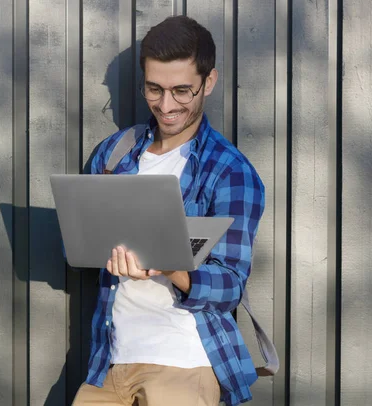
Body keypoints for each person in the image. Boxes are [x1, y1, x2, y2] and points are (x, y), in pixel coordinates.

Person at [72, 15, 265, 406]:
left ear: (208, 82)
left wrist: (169, 264)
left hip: (185, 364)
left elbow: (230, 285)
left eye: (182, 90)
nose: (166, 105)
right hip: (109, 361)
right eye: (154, 89)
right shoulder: (114, 153)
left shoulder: (229, 170)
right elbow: (78, 247)